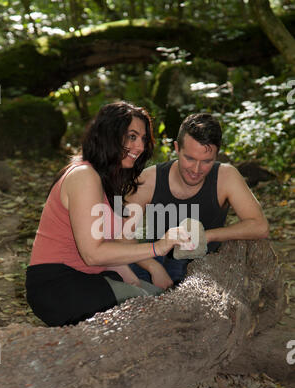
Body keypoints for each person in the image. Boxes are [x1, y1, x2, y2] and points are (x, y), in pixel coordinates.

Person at [25, 101, 191, 327]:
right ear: (109, 135)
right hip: (58, 286)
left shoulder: (107, 181)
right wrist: (158, 248)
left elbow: (109, 249)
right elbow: (93, 254)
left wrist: (137, 279)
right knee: (167, 314)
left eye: (143, 139)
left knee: (167, 302)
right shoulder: (84, 175)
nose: (140, 146)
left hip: (90, 279)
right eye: (132, 136)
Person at [127, 112, 269, 289]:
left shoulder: (226, 176)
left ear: (217, 155)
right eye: (190, 158)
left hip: (203, 264)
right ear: (177, 148)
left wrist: (209, 236)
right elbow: (122, 236)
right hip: (153, 257)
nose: (196, 169)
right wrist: (153, 267)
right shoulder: (149, 180)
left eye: (206, 161)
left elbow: (259, 226)